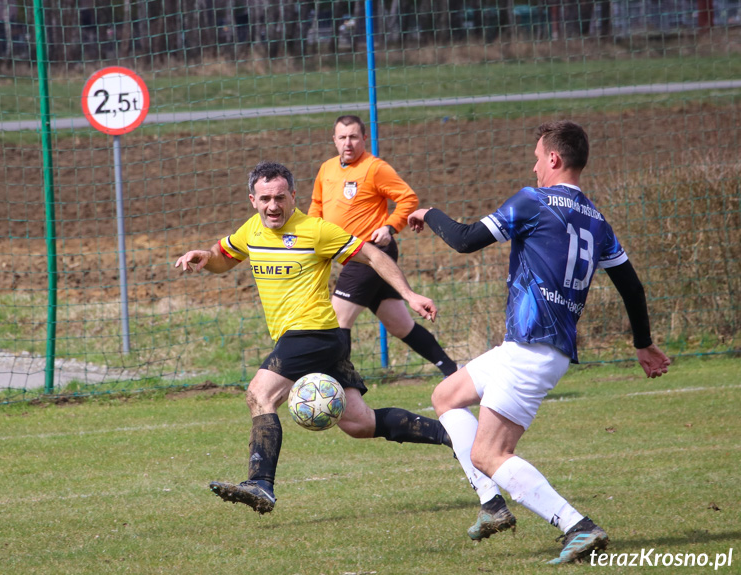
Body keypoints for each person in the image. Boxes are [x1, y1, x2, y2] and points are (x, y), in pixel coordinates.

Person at [407, 121, 671, 564]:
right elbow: (632, 285)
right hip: (537, 347)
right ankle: (492, 505)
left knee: (490, 453)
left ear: (554, 158)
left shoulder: (534, 201)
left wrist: (428, 213)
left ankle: (576, 525)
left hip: (532, 349)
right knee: (446, 396)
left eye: (536, 157)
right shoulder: (597, 219)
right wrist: (642, 342)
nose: (532, 167)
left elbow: (467, 239)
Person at [175, 161, 451, 515]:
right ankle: (452, 435)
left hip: (312, 333)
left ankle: (260, 483)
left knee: (259, 395)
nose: (272, 206)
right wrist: (204, 257)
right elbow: (222, 259)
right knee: (359, 423)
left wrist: (409, 295)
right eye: (264, 199)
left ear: (294, 196)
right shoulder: (251, 231)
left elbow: (372, 254)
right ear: (252, 200)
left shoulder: (316, 230)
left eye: (279, 197)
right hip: (316, 339)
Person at [308, 115, 458, 377]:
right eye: (342, 137)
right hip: (350, 256)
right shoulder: (326, 169)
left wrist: (389, 227)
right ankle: (452, 370)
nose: (348, 143)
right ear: (334, 140)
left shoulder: (375, 168)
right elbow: (317, 207)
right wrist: (309, 242)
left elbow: (408, 198)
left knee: (338, 319)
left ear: (364, 138)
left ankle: (342, 385)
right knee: (400, 325)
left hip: (371, 253)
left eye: (354, 137)